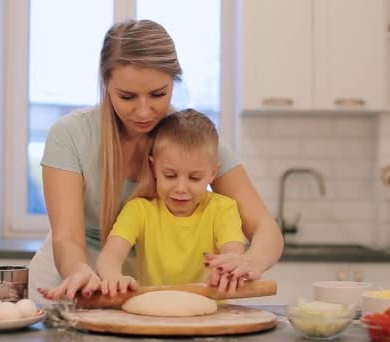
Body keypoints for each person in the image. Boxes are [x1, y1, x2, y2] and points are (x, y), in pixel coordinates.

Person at [29, 19, 284, 303]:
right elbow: (67, 238)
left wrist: (251, 262)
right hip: (74, 279)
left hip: (144, 286)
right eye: (127, 97)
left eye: (158, 94)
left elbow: (265, 226)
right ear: (106, 85)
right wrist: (78, 270)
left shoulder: (191, 141)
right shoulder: (70, 135)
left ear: (174, 83)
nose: (143, 111)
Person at [96, 109, 247, 295]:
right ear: (153, 167)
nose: (181, 188)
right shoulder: (139, 210)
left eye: (194, 178)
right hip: (154, 314)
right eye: (170, 175)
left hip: (211, 315)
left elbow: (233, 251)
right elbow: (110, 255)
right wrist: (112, 276)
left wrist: (229, 265)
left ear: (213, 173)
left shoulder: (223, 209)